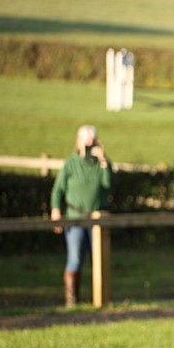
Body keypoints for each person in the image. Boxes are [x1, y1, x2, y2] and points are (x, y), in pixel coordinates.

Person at [50, 125, 113, 307]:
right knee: (75, 259)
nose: (89, 144)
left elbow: (108, 183)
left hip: (97, 220)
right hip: (75, 218)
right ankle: (72, 301)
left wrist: (103, 161)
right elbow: (58, 190)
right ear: (78, 142)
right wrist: (56, 210)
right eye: (86, 141)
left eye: (92, 141)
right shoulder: (70, 163)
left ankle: (100, 300)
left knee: (99, 261)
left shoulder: (102, 163)